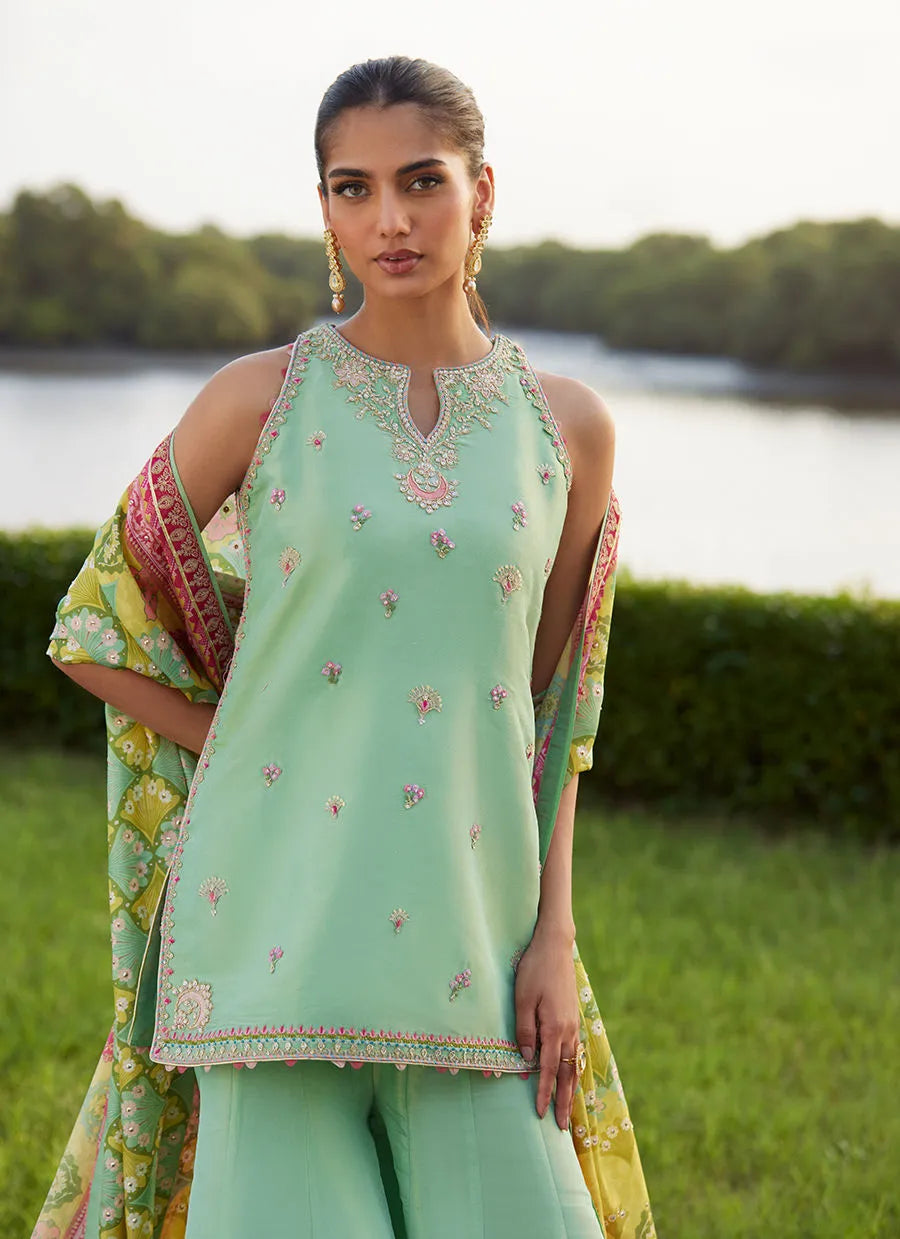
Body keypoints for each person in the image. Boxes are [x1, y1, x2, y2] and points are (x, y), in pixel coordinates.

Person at [36, 56, 654, 1239]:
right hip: (271, 921)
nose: (390, 220)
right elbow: (93, 626)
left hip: (474, 934)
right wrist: (247, 738)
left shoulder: (567, 429)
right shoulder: (260, 401)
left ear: (483, 192)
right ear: (324, 207)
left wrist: (555, 938)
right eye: (352, 188)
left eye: (422, 181)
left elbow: (554, 711)